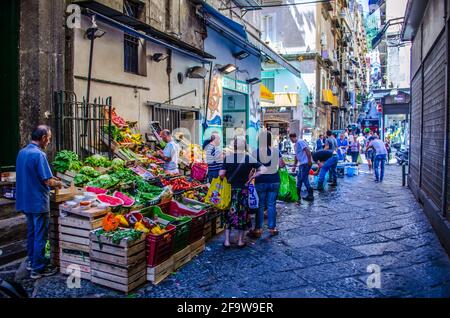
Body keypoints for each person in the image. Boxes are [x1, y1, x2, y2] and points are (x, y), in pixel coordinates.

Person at [16, 125, 62, 279]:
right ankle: (38, 269)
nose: (48, 141)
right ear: (43, 138)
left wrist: (51, 179)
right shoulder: (39, 155)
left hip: (25, 200)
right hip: (38, 202)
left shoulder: (22, 152)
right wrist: (58, 183)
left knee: (31, 232)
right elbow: (48, 181)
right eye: (48, 138)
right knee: (41, 235)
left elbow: (32, 174)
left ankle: (31, 261)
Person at [219, 137, 264, 248]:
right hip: (243, 191)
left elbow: (221, 174)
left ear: (234, 146)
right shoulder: (249, 158)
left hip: (230, 191)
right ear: (244, 146)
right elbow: (263, 169)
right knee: (242, 214)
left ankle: (227, 241)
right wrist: (252, 177)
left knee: (228, 214)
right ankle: (240, 241)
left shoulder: (228, 158)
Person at [248, 131, 285, 238]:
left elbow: (252, 168)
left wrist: (249, 179)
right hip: (274, 180)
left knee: (260, 205)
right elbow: (282, 164)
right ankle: (272, 228)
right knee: (271, 204)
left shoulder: (256, 152)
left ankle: (258, 229)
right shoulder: (276, 151)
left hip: (260, 181)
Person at [289, 133, 314, 202]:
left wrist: (309, 160)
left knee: (304, 178)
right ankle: (297, 195)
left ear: (293, 137)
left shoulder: (300, 142)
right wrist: (294, 166)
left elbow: (307, 150)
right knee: (299, 178)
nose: (291, 141)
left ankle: (310, 195)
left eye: (291, 139)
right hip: (301, 164)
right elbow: (296, 156)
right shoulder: (295, 145)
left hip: (305, 163)